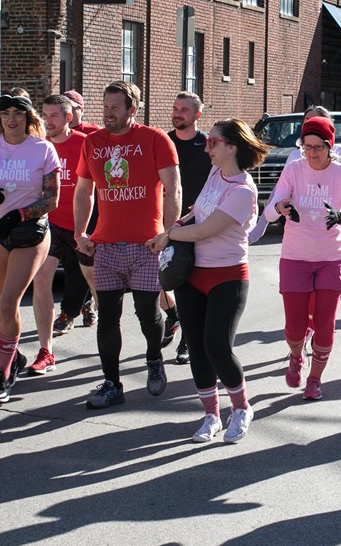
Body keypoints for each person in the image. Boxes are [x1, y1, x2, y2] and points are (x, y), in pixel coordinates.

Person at [146, 119, 269, 443]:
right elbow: (197, 214)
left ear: (232, 147)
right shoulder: (215, 173)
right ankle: (211, 416)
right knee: (198, 348)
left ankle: (241, 408)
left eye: (213, 141)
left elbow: (205, 230)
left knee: (217, 345)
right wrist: (180, 220)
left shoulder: (243, 191)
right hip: (192, 275)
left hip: (227, 276)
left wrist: (168, 234)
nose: (207, 146)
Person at [73, 81, 181, 409]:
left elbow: (173, 188)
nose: (108, 113)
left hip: (145, 246)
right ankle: (111, 384)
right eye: (105, 106)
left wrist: (167, 233)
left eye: (115, 107)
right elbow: (83, 192)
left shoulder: (155, 140)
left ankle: (153, 358)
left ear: (132, 110)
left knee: (148, 314)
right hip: (105, 247)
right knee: (108, 315)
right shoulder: (92, 143)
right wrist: (81, 233)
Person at [0, 92, 61, 403]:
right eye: (5, 113)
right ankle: (15, 356)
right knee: (2, 305)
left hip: (29, 232)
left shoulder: (43, 149)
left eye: (18, 113)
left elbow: (52, 199)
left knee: (8, 303)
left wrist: (20, 214)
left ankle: (3, 373)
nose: (11, 118)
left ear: (27, 117)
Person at [264, 116, 341, 400]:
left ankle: (315, 379)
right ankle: (296, 355)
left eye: (318, 147)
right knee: (295, 326)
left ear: (330, 146)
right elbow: (271, 210)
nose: (311, 153)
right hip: (295, 256)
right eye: (306, 146)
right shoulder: (294, 169)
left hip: (331, 258)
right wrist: (282, 207)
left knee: (324, 325)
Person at [27, 94, 96, 374]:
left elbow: (96, 189)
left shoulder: (85, 145)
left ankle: (98, 309)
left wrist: (85, 230)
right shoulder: (39, 147)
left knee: (96, 282)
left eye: (54, 115)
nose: (48, 120)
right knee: (41, 279)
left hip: (83, 224)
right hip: (51, 224)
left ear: (69, 118)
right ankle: (46, 351)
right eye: (45, 114)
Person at [249, 106, 341, 243]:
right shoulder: (295, 156)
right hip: (299, 241)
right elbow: (276, 196)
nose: (310, 123)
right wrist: (259, 229)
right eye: (306, 120)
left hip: (330, 237)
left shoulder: (340, 152)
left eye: (315, 119)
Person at [161, 91, 214, 365]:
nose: (178, 113)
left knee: (188, 287)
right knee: (160, 281)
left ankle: (187, 343)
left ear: (197, 115)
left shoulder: (207, 144)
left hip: (198, 224)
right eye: (175, 108)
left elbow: (219, 179)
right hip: (165, 222)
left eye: (184, 109)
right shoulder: (163, 142)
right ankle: (173, 317)